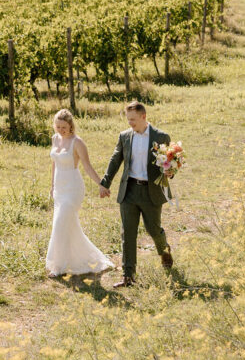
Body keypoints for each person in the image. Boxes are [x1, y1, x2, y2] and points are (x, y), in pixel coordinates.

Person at [99, 101, 174, 288]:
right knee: (128, 233)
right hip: (129, 190)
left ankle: (164, 251)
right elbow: (115, 160)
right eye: (128, 119)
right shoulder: (125, 136)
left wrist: (170, 171)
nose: (130, 123)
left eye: (133, 119)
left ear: (143, 116)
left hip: (151, 191)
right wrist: (105, 183)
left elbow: (170, 163)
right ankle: (128, 276)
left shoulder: (161, 137)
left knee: (153, 229)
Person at [46, 109, 114, 278]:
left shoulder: (77, 143)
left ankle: (58, 266)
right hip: (59, 189)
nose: (60, 130)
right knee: (68, 226)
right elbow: (54, 164)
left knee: (59, 224)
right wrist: (52, 186)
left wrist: (101, 184)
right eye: (58, 126)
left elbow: (87, 166)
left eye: (64, 127)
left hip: (73, 189)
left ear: (71, 126)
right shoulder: (55, 138)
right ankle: (85, 258)